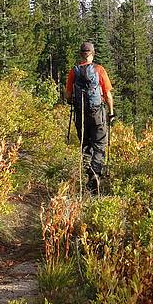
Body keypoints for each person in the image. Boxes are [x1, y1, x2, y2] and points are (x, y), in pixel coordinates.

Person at [65, 41, 115, 194]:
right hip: (97, 114)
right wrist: (111, 112)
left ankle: (89, 176)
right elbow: (107, 94)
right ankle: (95, 176)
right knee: (99, 144)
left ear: (81, 54)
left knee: (85, 145)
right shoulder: (99, 70)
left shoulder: (74, 71)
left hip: (80, 115)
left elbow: (68, 95)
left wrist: (72, 101)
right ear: (92, 53)